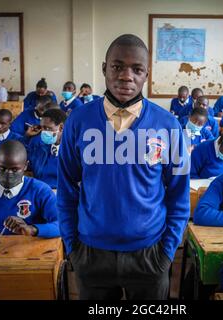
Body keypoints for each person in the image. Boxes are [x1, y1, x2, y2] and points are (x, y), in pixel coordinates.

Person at [57, 34, 190, 300]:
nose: (126, 76)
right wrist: (72, 247)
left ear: (146, 75)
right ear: (104, 68)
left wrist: (166, 252)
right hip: (91, 253)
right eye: (117, 66)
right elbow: (66, 187)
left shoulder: (168, 126)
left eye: (137, 69)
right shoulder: (79, 121)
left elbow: (179, 194)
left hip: (149, 254)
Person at [27, 109, 66, 189]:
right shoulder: (40, 147)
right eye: (42, 128)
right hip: (39, 191)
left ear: (61, 127)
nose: (43, 132)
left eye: (48, 128)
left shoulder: (73, 152)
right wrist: (27, 137)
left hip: (62, 194)